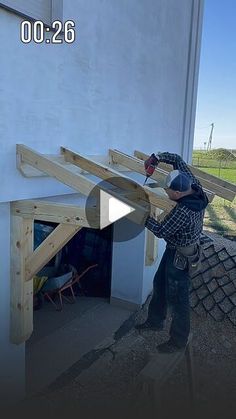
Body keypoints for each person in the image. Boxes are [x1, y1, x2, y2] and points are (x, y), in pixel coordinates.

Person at [135, 152, 209, 353]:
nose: (165, 192)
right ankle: (155, 321)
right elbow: (177, 160)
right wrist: (157, 157)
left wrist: (141, 214)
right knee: (159, 283)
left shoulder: (183, 212)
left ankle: (178, 341)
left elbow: (160, 231)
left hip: (180, 257)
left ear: (177, 194)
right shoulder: (194, 185)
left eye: (167, 190)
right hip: (176, 249)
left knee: (179, 300)